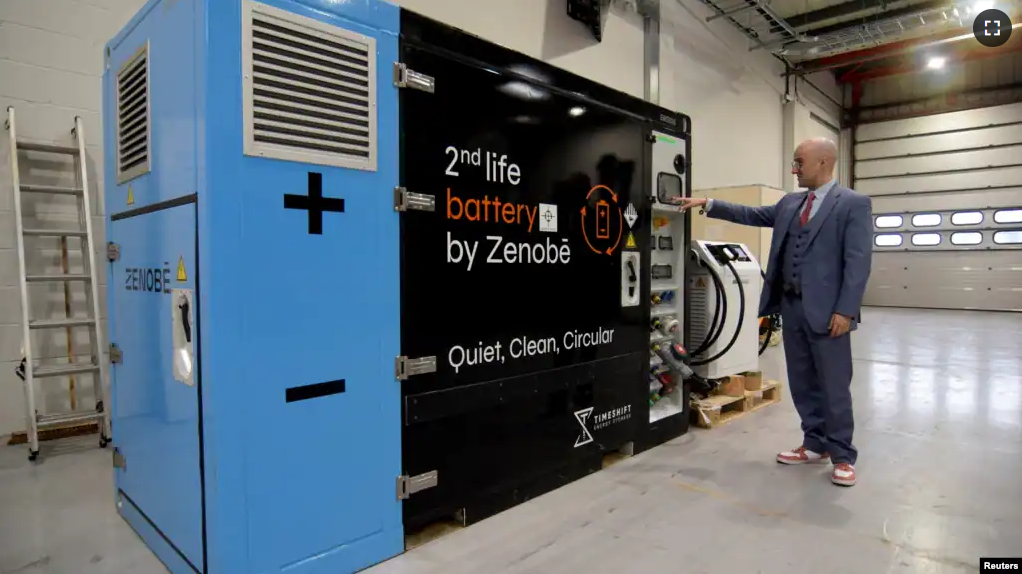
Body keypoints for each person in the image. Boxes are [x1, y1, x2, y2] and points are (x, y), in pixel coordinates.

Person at [672, 137, 872, 487]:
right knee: (802, 382)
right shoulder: (791, 203)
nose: (794, 169)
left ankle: (842, 454)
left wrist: (846, 310)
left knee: (834, 385)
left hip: (829, 314)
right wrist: (708, 203)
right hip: (792, 307)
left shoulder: (853, 204)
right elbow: (751, 215)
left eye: (799, 162)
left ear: (824, 162)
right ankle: (814, 444)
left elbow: (858, 263)